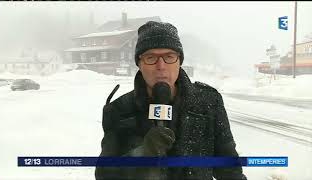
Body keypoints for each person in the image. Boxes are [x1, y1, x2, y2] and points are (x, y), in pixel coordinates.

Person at [95, 21, 247, 180]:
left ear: (179, 61)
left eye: (169, 56)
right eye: (150, 57)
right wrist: (143, 153)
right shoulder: (119, 110)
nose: (161, 66)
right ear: (139, 63)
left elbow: (230, 170)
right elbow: (105, 174)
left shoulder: (208, 102)